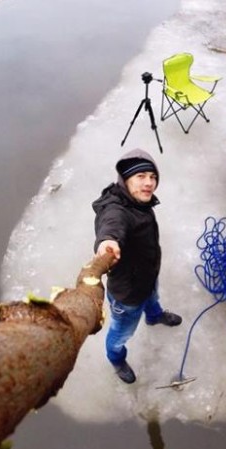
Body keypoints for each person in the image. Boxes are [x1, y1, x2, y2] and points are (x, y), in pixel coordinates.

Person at [93, 149, 182, 384]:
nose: (149, 183)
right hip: (127, 295)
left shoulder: (139, 203)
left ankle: (154, 316)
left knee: (153, 298)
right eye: (141, 176)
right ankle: (116, 359)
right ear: (126, 179)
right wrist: (107, 242)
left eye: (152, 177)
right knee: (120, 333)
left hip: (147, 277)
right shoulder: (117, 209)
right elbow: (111, 226)